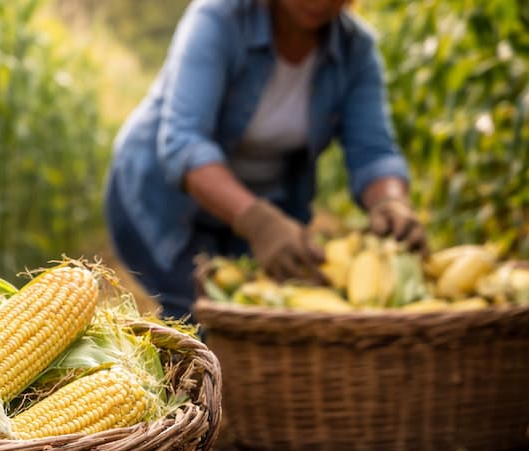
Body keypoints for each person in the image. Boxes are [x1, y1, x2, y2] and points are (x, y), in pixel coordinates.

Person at [104, 0, 426, 321]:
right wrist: (258, 223)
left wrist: (390, 203)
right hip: (164, 201)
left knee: (260, 313)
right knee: (200, 319)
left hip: (258, 206)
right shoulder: (219, 19)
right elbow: (184, 143)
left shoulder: (356, 51)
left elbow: (374, 153)